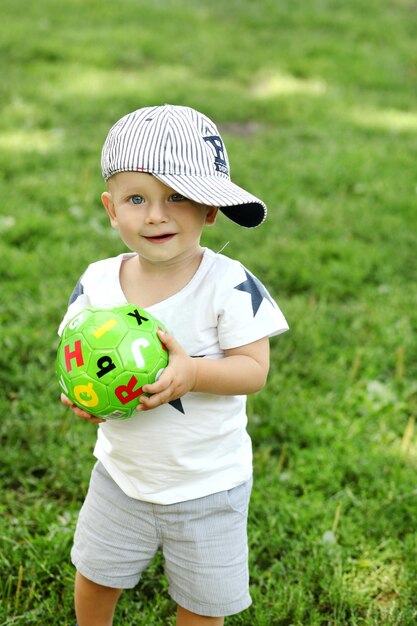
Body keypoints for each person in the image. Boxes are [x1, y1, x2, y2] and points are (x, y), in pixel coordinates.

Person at [59, 104, 289, 626]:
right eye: (136, 198)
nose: (156, 215)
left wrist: (195, 374)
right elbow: (75, 362)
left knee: (202, 604)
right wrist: (82, 400)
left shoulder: (229, 285)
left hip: (209, 486)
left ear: (210, 210)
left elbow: (254, 370)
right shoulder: (97, 283)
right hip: (121, 477)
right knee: (96, 573)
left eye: (177, 197)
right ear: (111, 209)